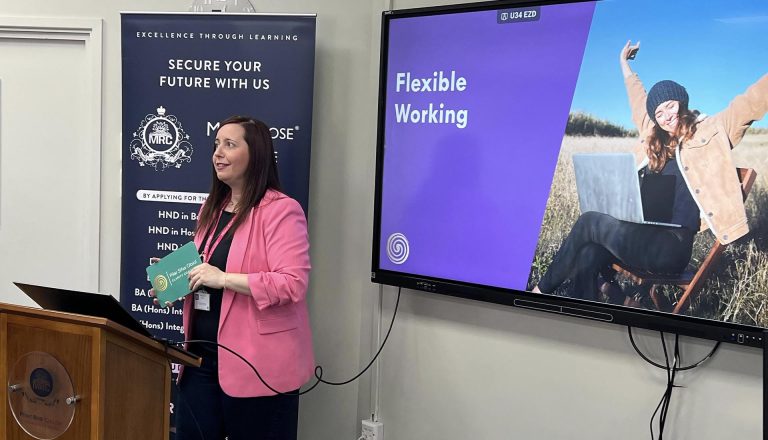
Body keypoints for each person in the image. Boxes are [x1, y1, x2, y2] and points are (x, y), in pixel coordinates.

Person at [532, 40, 768, 305]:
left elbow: (750, 103)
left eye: (670, 105)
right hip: (644, 234)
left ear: (682, 101)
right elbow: (638, 101)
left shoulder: (712, 130)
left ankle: (539, 294)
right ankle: (585, 312)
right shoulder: (653, 139)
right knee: (589, 251)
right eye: (659, 112)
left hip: (671, 248)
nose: (667, 115)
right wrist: (624, 65)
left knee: (590, 222)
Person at [151, 115, 314, 440]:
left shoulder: (282, 211)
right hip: (200, 362)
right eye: (216, 145)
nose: (217, 154)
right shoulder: (212, 208)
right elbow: (203, 271)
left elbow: (292, 283)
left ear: (256, 154)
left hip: (257, 366)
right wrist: (173, 284)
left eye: (229, 144)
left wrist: (224, 278)